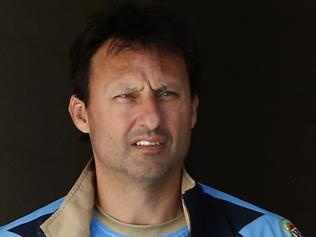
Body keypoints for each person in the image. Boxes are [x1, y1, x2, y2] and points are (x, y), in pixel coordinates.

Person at [0, 1, 303, 237]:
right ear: (82, 115)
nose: (152, 117)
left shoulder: (265, 232)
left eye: (168, 94)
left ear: (193, 110)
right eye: (126, 95)